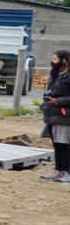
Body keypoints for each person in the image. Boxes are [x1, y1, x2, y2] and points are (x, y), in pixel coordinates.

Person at [39, 49, 70, 182]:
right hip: (52, 115)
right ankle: (58, 171)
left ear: (64, 60)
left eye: (55, 59)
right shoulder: (56, 75)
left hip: (64, 116)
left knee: (64, 145)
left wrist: (58, 101)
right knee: (57, 145)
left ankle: (66, 172)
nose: (53, 62)